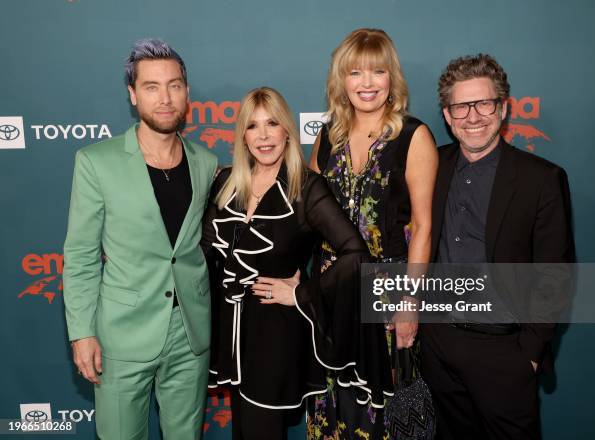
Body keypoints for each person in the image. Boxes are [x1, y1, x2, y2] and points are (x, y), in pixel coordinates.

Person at [63, 38, 217, 439]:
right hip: (121, 334)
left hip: (190, 334)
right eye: (151, 87)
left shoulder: (207, 162)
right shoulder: (96, 162)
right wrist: (82, 333)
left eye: (174, 85)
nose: (165, 98)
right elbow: (80, 256)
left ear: (186, 91)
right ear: (133, 95)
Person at [202, 86, 371, 440]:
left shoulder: (306, 188)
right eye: (253, 126)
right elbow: (203, 254)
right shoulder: (225, 182)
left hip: (276, 335)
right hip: (231, 336)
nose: (263, 135)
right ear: (242, 135)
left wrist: (303, 293)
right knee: (243, 432)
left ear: (287, 131)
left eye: (272, 123)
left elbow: (355, 254)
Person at [420, 53, 575, 440]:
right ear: (447, 113)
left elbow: (556, 274)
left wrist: (529, 354)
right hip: (436, 345)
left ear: (503, 108)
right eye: (461, 106)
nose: (473, 116)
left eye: (484, 103)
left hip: (503, 349)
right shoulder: (429, 166)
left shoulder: (542, 179)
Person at [307, 28, 438, 439]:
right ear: (341, 80)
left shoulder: (413, 137)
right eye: (355, 72)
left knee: (387, 409)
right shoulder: (327, 137)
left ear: (391, 79)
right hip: (330, 293)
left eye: (377, 72)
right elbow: (308, 217)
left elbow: (423, 227)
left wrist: (410, 302)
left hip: (387, 296)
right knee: (333, 402)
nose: (366, 83)